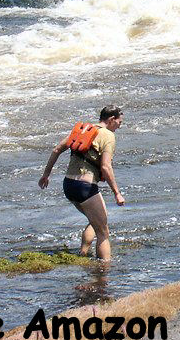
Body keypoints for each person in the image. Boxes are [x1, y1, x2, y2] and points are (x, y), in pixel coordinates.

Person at [38, 105, 125, 261]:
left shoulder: (84, 130)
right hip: (85, 187)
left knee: (96, 220)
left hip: (69, 185)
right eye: (119, 122)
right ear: (112, 119)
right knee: (103, 233)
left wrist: (46, 175)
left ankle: (83, 254)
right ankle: (104, 271)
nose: (119, 126)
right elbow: (106, 166)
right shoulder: (108, 135)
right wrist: (117, 193)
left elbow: (57, 149)